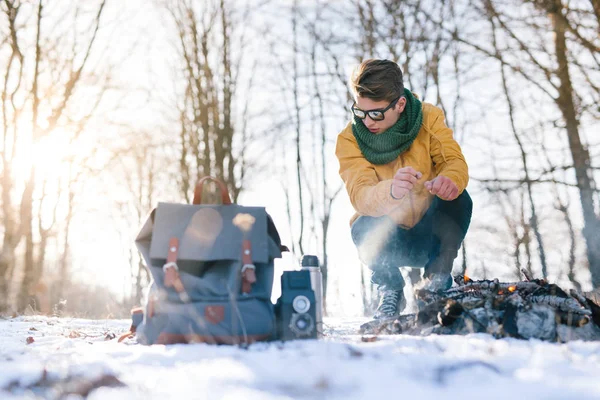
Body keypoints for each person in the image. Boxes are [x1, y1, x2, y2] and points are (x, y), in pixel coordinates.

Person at [335, 59, 472, 319]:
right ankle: (389, 290)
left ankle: (434, 287)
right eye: (360, 112)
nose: (367, 121)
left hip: (430, 236)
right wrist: (391, 192)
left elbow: (452, 161)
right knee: (361, 225)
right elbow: (360, 194)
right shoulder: (349, 139)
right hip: (388, 240)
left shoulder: (428, 118)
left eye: (376, 113)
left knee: (461, 199)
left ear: (400, 104)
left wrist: (449, 180)